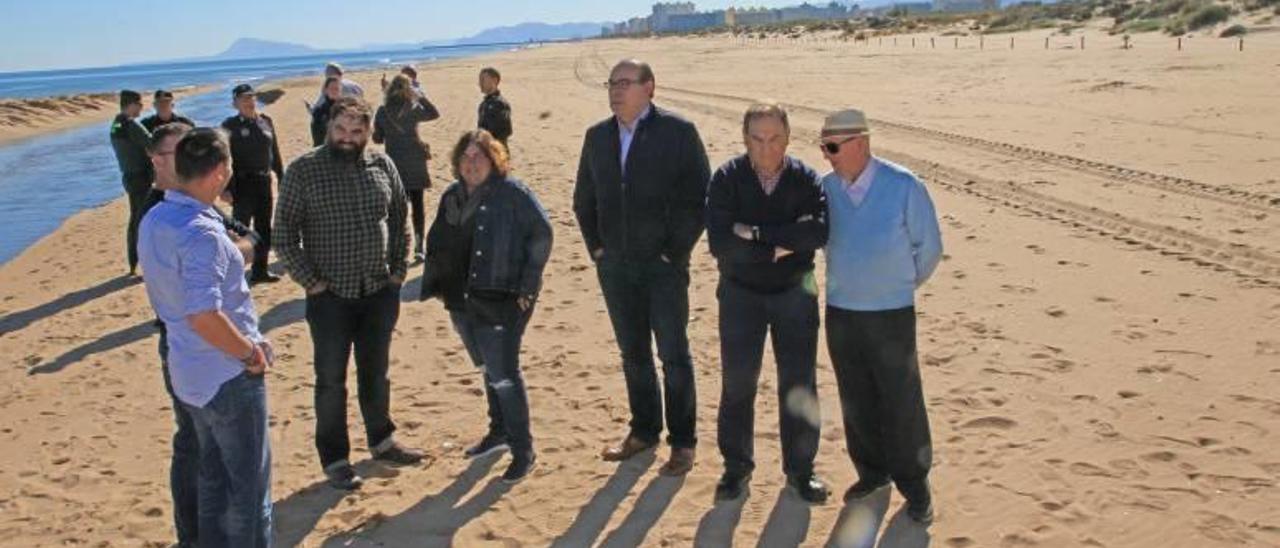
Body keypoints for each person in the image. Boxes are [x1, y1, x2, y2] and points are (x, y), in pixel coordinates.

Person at [275, 96, 424, 491]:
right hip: (330, 298)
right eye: (341, 129)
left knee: (376, 373)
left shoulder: (382, 164)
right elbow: (284, 236)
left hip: (378, 291)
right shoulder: (304, 170)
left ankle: (382, 439)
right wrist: (313, 283)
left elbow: (399, 218)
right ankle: (336, 459)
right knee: (330, 380)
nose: (347, 137)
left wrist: (397, 273)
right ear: (329, 127)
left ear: (368, 131)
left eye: (356, 131)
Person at [572, 59, 710, 476]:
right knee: (633, 354)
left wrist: (675, 251)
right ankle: (644, 431)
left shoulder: (678, 132)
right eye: (612, 84)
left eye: (625, 83)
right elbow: (584, 198)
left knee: (674, 355)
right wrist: (597, 248)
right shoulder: (597, 137)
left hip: (664, 267)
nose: (616, 91)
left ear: (649, 87)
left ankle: (682, 442)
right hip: (615, 267)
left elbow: (699, 197)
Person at [137, 127, 274, 547]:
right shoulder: (202, 231)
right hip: (224, 374)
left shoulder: (156, 216)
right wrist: (250, 352)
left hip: (188, 370)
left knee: (212, 479)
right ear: (219, 172)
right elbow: (203, 314)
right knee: (247, 496)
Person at [819, 109, 943, 525]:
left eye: (834, 147)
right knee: (856, 398)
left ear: (862, 144)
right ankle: (872, 474)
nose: (828, 156)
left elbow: (928, 250)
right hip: (841, 313)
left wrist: (894, 285)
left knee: (901, 401)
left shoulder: (904, 185)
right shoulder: (826, 188)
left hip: (890, 314)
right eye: (824, 147)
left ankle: (916, 486)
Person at [706, 102, 830, 504]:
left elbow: (816, 234)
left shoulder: (805, 179)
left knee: (798, 383)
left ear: (788, 137)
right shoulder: (727, 178)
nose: (766, 147)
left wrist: (756, 233)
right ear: (745, 139)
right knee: (738, 383)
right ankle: (736, 468)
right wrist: (777, 246)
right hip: (741, 295)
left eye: (774, 137)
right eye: (757, 139)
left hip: (796, 293)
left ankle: (801, 470)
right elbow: (721, 244)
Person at [419, 129, 552, 483]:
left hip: (502, 297)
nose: (471, 163)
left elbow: (542, 234)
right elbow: (438, 241)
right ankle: (499, 433)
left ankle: (523, 450)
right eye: (465, 157)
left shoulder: (512, 194)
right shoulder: (452, 196)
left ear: (494, 160)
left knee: (505, 374)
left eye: (479, 156)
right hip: (462, 300)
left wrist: (528, 285)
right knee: (487, 368)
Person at [220, 83, 284, 284]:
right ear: (235, 103)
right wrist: (225, 188)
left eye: (251, 97)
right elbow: (223, 158)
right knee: (240, 230)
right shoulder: (229, 126)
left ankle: (260, 271)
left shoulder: (266, 121)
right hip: (242, 184)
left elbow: (274, 152)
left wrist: (281, 177)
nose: (249, 102)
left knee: (264, 228)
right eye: (243, 99)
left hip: (263, 181)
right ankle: (235, 274)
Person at [373, 74, 441, 263]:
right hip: (415, 162)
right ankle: (419, 247)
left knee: (395, 208)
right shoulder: (413, 108)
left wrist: (383, 132)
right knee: (417, 206)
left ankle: (395, 247)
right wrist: (419, 95)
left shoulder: (382, 111)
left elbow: (377, 139)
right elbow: (435, 113)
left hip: (394, 164)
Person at [109, 89, 154, 276]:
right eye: (140, 104)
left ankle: (134, 262)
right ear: (132, 104)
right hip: (140, 177)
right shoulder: (130, 124)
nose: (142, 108)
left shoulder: (116, 124)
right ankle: (141, 262)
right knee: (143, 220)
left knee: (136, 219)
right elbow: (153, 143)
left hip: (128, 176)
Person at [477, 67, 512, 147]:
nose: (480, 83)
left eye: (483, 80)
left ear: (494, 81)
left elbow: (506, 131)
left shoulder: (500, 104)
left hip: (497, 152)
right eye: (480, 80)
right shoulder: (484, 104)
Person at [309, 77, 342, 147]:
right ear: (326, 90)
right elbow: (317, 141)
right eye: (332, 88)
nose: (334, 91)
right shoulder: (319, 112)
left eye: (337, 88)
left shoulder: (345, 109)